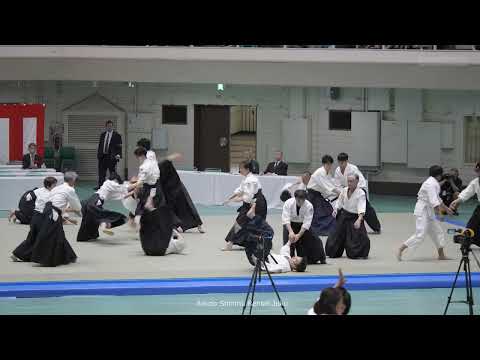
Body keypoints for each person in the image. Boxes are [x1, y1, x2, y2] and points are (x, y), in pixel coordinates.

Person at [11, 171, 81, 267]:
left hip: (45, 212)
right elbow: (77, 207)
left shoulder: (57, 188)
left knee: (58, 235)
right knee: (44, 236)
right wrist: (75, 211)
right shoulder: (69, 190)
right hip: (51, 213)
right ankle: (33, 256)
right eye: (75, 180)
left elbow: (31, 198)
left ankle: (69, 256)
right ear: (72, 180)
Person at [136, 138, 205, 234]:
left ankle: (197, 224)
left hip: (170, 182)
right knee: (168, 205)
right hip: (163, 183)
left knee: (184, 203)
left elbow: (156, 166)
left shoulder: (149, 156)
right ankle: (177, 225)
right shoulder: (148, 157)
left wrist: (169, 159)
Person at [397, 166, 454, 261]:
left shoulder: (433, 183)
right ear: (439, 175)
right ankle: (401, 249)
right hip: (423, 210)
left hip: (429, 211)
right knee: (421, 234)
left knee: (438, 231)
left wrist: (447, 209)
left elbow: (438, 199)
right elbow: (434, 201)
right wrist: (439, 214)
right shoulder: (431, 184)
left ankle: (441, 255)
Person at [223, 160, 267, 251]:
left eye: (241, 168)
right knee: (240, 222)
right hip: (250, 203)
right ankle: (230, 242)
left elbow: (249, 196)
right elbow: (240, 190)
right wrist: (229, 198)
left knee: (254, 223)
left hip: (257, 204)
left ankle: (264, 242)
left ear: (247, 169)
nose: (239, 170)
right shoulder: (246, 178)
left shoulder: (251, 180)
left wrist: (236, 200)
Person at [326, 174, 370, 259]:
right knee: (335, 235)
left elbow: (361, 207)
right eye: (348, 181)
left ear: (357, 182)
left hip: (355, 218)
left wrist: (359, 220)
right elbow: (339, 202)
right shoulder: (344, 190)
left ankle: (359, 253)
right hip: (344, 215)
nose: (349, 183)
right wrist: (336, 210)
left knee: (357, 239)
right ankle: (333, 251)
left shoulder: (361, 193)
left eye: (351, 181)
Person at [334, 153, 381, 233]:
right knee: (343, 208)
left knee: (366, 209)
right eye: (340, 162)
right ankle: (341, 227)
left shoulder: (353, 168)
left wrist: (355, 191)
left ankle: (377, 227)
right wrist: (342, 193)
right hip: (347, 190)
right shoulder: (337, 170)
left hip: (359, 189)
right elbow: (337, 184)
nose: (341, 164)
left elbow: (360, 181)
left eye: (343, 162)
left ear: (347, 161)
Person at [76, 173, 129, 242]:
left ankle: (86, 236)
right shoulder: (109, 182)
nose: (117, 183)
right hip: (96, 201)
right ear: (115, 179)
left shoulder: (107, 188)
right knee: (103, 215)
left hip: (91, 201)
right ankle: (104, 225)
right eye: (117, 181)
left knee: (92, 218)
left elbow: (122, 195)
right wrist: (137, 184)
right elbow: (123, 188)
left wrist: (133, 191)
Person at [282, 190, 327, 264]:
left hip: (302, 225)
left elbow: (307, 223)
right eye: (298, 200)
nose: (300, 202)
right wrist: (290, 232)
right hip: (290, 225)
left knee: (315, 240)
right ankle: (290, 260)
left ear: (305, 199)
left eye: (302, 200)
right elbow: (286, 219)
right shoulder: (288, 203)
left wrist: (299, 235)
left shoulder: (309, 206)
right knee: (289, 243)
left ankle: (320, 258)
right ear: (295, 198)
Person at [139, 191, 186, 256]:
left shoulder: (144, 217)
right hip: (161, 250)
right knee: (180, 242)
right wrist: (175, 231)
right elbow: (170, 232)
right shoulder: (166, 214)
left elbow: (142, 231)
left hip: (147, 250)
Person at [307, 155, 342, 236]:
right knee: (319, 213)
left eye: (330, 164)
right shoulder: (320, 172)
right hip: (312, 196)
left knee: (329, 210)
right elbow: (328, 187)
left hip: (318, 195)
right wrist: (339, 193)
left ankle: (326, 229)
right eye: (327, 164)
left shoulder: (327, 172)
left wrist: (340, 192)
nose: (329, 166)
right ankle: (318, 230)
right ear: (324, 164)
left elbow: (331, 184)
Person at [450, 162, 480, 247]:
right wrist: (457, 200)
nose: (478, 173)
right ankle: (468, 239)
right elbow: (467, 192)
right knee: (472, 225)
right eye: (477, 171)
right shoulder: (476, 182)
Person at [130, 146, 160, 217]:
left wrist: (130, 188)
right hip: (156, 187)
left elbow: (140, 183)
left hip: (149, 189)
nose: (137, 159)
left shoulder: (144, 167)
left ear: (141, 156)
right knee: (147, 208)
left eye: (137, 157)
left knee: (141, 210)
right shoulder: (152, 160)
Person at [96, 120, 122, 190]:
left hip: (112, 157)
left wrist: (119, 155)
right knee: (101, 173)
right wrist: (98, 154)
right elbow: (100, 145)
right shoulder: (103, 135)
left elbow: (119, 147)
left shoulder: (117, 135)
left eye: (110, 126)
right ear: (106, 127)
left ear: (112, 127)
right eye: (108, 126)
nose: (109, 127)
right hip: (102, 156)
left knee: (112, 173)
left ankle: (113, 187)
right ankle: (100, 186)